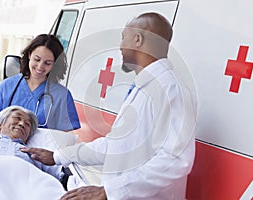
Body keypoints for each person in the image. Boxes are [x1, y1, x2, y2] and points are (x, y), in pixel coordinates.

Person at [21, 12, 197, 199]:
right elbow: (114, 146)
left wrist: (109, 191)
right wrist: (58, 157)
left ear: (137, 39)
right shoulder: (146, 87)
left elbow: (176, 160)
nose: (120, 46)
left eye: (124, 38)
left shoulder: (170, 88)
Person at [0, 34, 80, 131]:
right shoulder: (7, 86)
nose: (40, 66)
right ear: (29, 55)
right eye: (37, 59)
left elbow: (66, 135)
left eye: (47, 63)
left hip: (40, 147)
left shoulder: (61, 95)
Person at [0, 106, 67, 183]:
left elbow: (62, 177)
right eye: (17, 118)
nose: (22, 124)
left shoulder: (37, 154)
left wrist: (56, 158)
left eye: (27, 124)